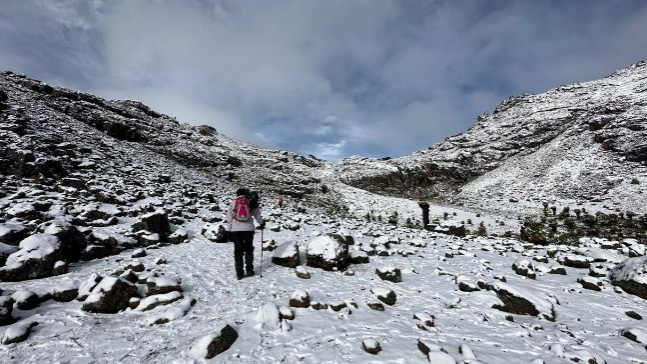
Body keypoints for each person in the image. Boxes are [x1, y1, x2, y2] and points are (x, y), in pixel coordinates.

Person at [226, 188, 265, 280]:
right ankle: (249, 269)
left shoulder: (233, 203)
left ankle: (239, 272)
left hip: (236, 229)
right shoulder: (251, 202)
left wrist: (229, 230)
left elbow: (229, 217)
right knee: (249, 249)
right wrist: (262, 223)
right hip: (248, 229)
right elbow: (257, 215)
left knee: (238, 251)